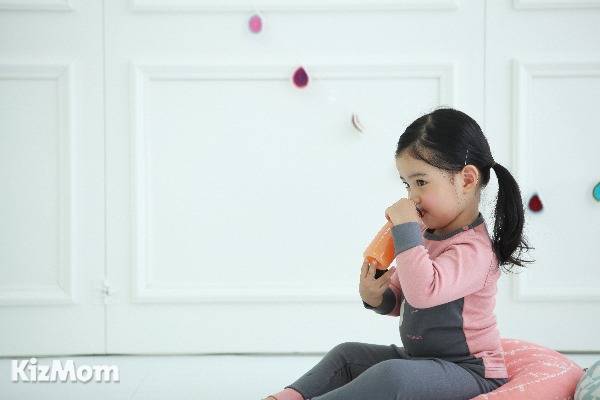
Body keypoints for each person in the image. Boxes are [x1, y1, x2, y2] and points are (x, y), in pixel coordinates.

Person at [262, 107, 534, 400]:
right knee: (346, 355)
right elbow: (403, 298)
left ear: (466, 180)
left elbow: (423, 292)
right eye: (407, 184)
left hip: (469, 371)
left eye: (421, 182)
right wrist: (378, 296)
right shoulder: (425, 235)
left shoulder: (475, 251)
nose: (411, 197)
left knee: (392, 376)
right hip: (422, 361)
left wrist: (406, 230)